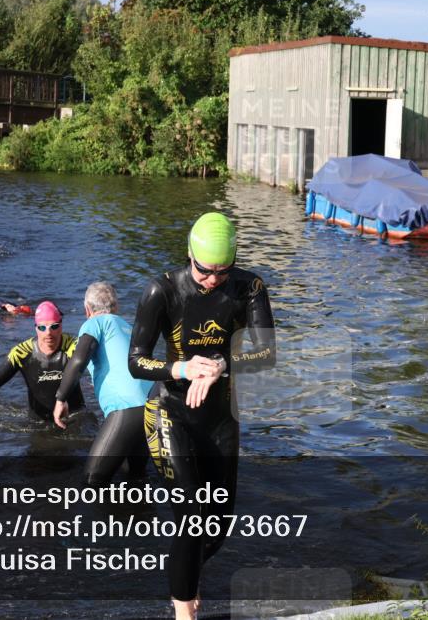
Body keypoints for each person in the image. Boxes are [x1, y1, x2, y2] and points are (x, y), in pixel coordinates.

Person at [129, 212, 276, 620]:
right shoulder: (162, 290)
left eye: (222, 273)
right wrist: (182, 368)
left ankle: (183, 573)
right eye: (204, 271)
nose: (212, 280)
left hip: (220, 416)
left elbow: (266, 353)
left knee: (215, 529)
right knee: (192, 513)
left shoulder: (250, 287)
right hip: (168, 410)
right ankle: (183, 610)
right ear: (189, 255)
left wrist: (220, 367)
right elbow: (136, 362)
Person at [52, 282, 153, 487]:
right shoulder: (128, 328)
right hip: (153, 405)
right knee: (134, 478)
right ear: (116, 307)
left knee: (92, 481)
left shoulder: (94, 323)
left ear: (87, 309)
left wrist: (61, 398)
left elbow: (79, 360)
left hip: (127, 407)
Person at [0, 301, 83, 423]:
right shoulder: (22, 352)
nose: (48, 333)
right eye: (42, 327)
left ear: (61, 325)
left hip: (75, 418)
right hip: (38, 423)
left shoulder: (73, 346)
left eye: (54, 326)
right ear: (36, 328)